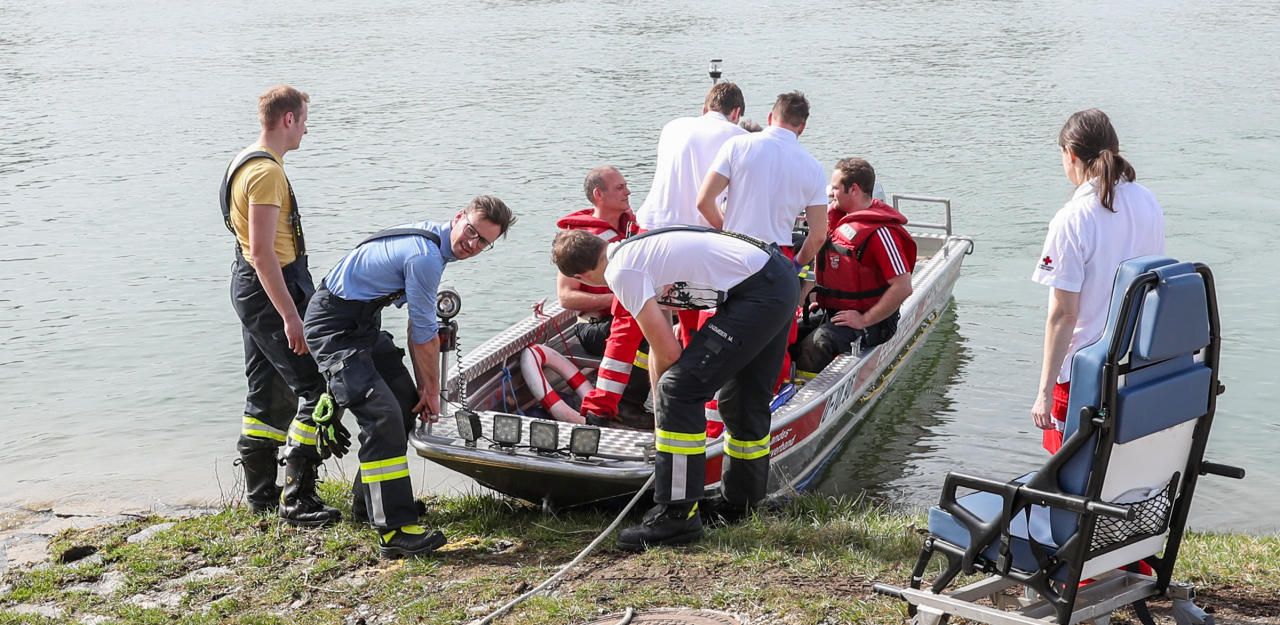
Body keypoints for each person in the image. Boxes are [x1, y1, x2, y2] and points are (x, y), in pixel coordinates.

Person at [552, 227, 799, 550]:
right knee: (742, 398)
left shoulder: (621, 272)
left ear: (582, 276)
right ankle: (742, 504)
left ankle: (677, 514)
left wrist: (670, 409)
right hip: (777, 279)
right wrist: (662, 417)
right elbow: (661, 342)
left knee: (680, 391)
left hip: (759, 293)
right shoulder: (635, 252)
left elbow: (670, 356)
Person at [298, 196, 516, 557]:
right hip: (332, 327)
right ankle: (394, 532)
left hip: (362, 324)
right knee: (382, 416)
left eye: (483, 243)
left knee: (403, 405)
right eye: (471, 232)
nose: (472, 245)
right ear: (459, 216)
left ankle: (369, 505)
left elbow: (419, 325)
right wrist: (431, 390)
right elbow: (423, 334)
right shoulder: (426, 256)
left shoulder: (433, 244)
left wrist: (424, 391)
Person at [220, 84, 339, 527]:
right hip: (272, 287)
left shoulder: (242, 160)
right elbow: (264, 252)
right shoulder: (267, 173)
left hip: (251, 288)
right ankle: (298, 500)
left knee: (266, 390)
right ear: (288, 119)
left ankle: (261, 497)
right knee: (316, 387)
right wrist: (291, 315)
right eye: (305, 120)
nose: (306, 130)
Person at [1031, 109, 1165, 454]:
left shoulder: (1072, 219)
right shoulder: (1147, 201)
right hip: (1135, 360)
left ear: (1070, 155)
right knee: (1120, 462)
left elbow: (1064, 316)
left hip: (1084, 373)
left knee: (1069, 471)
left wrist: (1044, 392)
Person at [695, 90, 828, 383]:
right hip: (777, 257)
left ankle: (706, 399)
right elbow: (818, 234)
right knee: (774, 336)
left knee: (716, 328)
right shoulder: (813, 168)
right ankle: (768, 402)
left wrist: (726, 232)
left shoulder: (737, 146)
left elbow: (704, 202)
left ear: (771, 117)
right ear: (802, 127)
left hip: (731, 249)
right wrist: (796, 265)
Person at [794, 158, 916, 374]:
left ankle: (807, 391)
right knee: (790, 333)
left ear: (854, 189)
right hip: (837, 313)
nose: (831, 193)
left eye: (835, 188)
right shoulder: (839, 222)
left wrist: (864, 319)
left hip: (874, 322)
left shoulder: (880, 233)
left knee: (818, 343)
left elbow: (903, 286)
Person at [636, 82, 746, 230]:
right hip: (700, 231)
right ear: (736, 113)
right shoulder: (741, 137)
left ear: (704, 109)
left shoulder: (672, 127)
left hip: (650, 225)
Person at [556, 166, 641, 357]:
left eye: (626, 186)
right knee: (650, 330)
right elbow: (565, 296)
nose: (628, 192)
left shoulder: (633, 227)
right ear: (598, 194)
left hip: (631, 315)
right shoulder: (578, 239)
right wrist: (618, 301)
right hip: (596, 325)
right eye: (620, 187)